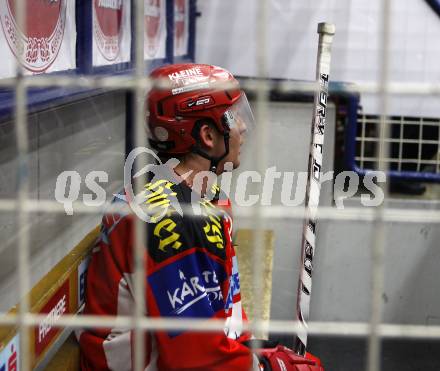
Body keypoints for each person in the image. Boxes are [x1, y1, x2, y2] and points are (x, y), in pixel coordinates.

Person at [77, 63, 324, 371]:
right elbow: (191, 357)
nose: (243, 127)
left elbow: (218, 316)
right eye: (234, 117)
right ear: (207, 135)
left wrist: (254, 353)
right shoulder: (174, 220)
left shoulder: (202, 199)